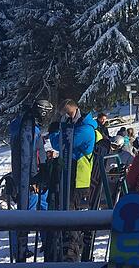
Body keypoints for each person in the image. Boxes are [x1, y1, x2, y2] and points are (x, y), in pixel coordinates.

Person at [8, 99, 53, 262]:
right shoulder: (28, 128)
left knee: (41, 208)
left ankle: (46, 242)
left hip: (29, 175)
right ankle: (20, 246)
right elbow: (28, 155)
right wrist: (33, 178)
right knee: (28, 211)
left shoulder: (21, 124)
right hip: (31, 178)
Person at [57, 99, 100, 261]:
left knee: (74, 219)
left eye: (69, 114)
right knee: (69, 216)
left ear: (75, 111)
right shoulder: (76, 126)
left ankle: (73, 255)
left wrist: (57, 133)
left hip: (79, 181)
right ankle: (71, 251)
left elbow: (63, 143)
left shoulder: (85, 129)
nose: (67, 118)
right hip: (71, 178)